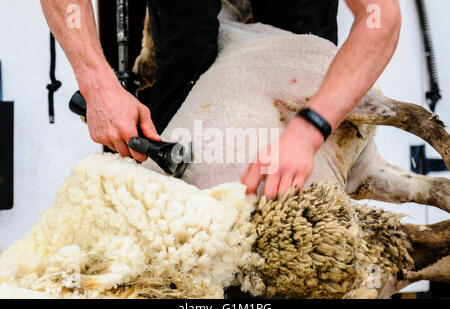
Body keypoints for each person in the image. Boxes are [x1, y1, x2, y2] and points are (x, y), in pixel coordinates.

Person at [40, 0, 401, 199]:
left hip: (291, 59)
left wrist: (312, 126)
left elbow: (379, 16)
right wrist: (97, 84)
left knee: (303, 37)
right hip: (190, 57)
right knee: (187, 49)